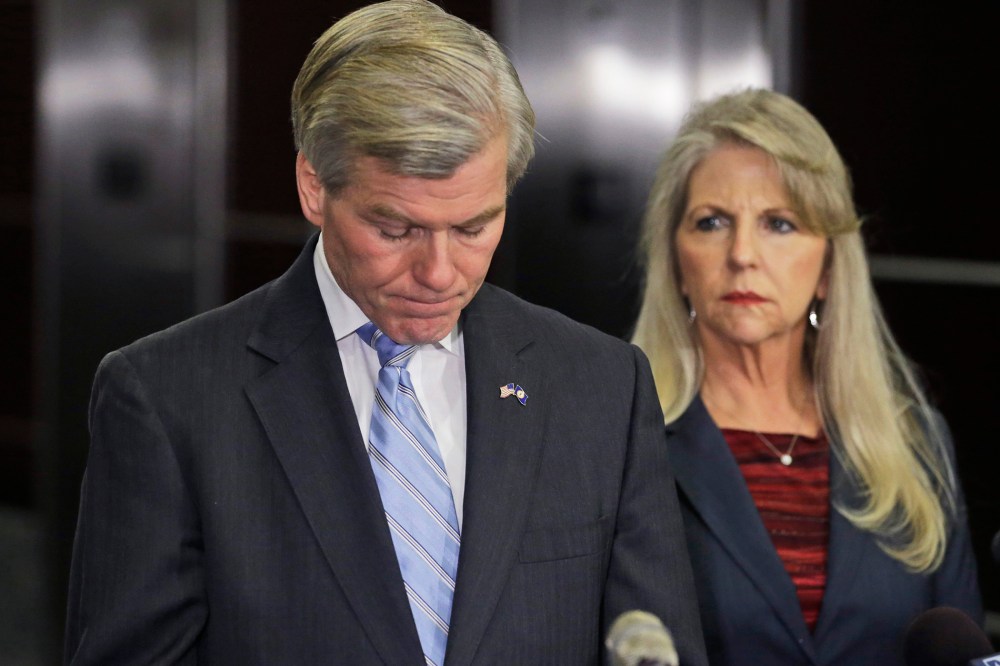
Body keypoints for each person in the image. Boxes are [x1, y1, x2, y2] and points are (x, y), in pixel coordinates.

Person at [64, 1, 707, 664]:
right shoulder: (168, 399)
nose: (438, 273)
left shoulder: (601, 387)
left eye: (473, 228)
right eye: (396, 230)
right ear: (315, 186)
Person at [631, 88, 982, 665]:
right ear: (675, 261)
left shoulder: (916, 444)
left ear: (827, 267)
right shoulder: (617, 439)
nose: (743, 253)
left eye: (780, 223)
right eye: (713, 221)